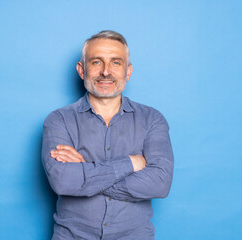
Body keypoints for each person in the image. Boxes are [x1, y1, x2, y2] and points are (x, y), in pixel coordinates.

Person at [41, 30, 174, 240]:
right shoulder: (59, 120)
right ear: (81, 70)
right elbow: (63, 182)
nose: (105, 72)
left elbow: (160, 183)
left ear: (127, 72)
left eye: (115, 63)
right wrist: (130, 163)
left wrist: (86, 173)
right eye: (96, 62)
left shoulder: (152, 119)